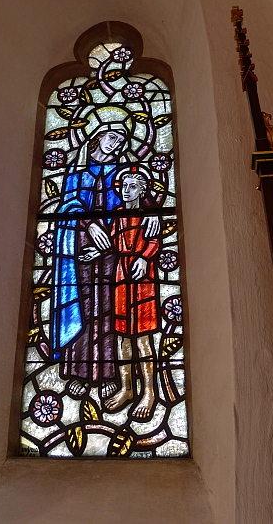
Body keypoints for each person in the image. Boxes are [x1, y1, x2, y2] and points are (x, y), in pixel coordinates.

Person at [51, 109, 159, 398]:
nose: (116, 144)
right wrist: (88, 224)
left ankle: (110, 373)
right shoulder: (77, 171)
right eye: (112, 137)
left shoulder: (122, 173)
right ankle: (79, 371)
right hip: (81, 245)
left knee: (111, 309)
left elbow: (140, 198)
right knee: (84, 305)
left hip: (115, 250)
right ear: (97, 137)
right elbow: (66, 205)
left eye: (121, 141)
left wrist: (152, 212)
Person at [80, 172, 159, 419]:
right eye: (124, 185)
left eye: (133, 186)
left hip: (142, 277)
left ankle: (149, 392)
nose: (126, 190)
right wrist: (97, 252)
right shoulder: (117, 215)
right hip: (121, 276)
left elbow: (154, 242)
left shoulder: (149, 216)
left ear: (142, 191)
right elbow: (114, 244)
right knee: (122, 337)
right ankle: (127, 388)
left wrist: (144, 258)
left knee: (143, 338)